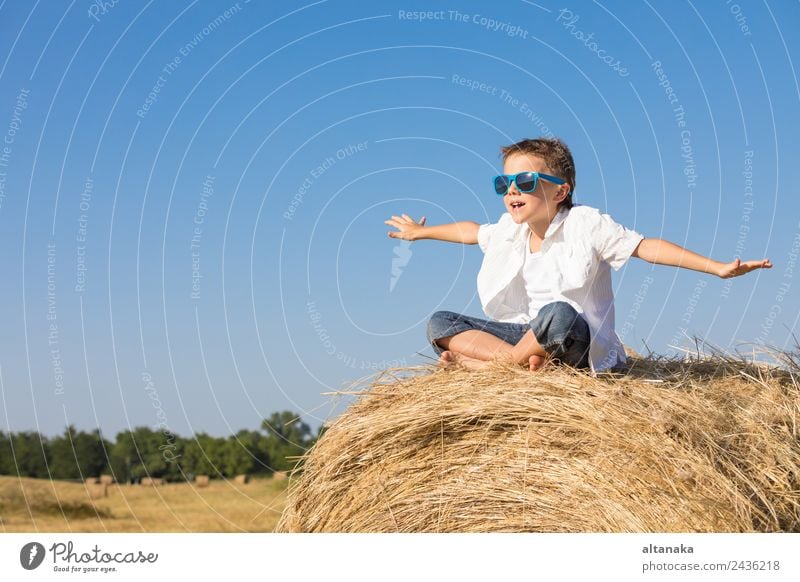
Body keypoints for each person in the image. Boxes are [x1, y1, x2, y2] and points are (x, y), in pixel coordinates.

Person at [385, 137, 773, 374]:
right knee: (440, 322)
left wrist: (717, 268)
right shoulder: (509, 231)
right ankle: (523, 364)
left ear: (559, 191)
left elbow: (646, 247)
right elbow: (471, 232)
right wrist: (421, 232)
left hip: (575, 338)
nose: (511, 191)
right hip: (526, 336)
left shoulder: (586, 224)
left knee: (557, 313)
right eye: (503, 183)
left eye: (524, 182)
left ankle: (496, 367)